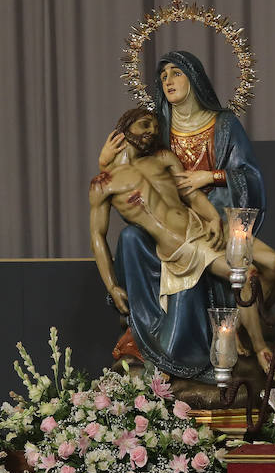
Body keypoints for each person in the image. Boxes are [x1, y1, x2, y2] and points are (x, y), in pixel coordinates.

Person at [96, 50, 266, 379]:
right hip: (173, 237)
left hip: (220, 214)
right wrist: (105, 160)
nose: (168, 81)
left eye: (176, 72)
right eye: (163, 76)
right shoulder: (159, 125)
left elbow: (247, 175)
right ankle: (151, 334)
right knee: (130, 237)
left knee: (270, 265)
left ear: (194, 76)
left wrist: (212, 182)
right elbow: (120, 180)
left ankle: (252, 340)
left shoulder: (223, 123)